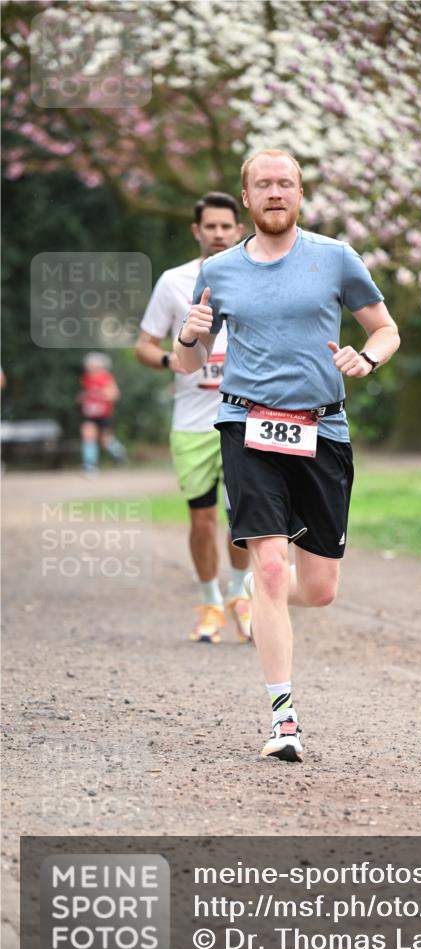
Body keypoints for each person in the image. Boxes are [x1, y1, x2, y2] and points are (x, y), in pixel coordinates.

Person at [175, 149, 400, 762]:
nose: (275, 192)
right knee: (273, 567)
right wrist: (191, 334)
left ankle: (260, 590)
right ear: (246, 198)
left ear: (300, 194)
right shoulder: (219, 271)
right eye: (263, 185)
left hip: (322, 429)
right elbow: (187, 362)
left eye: (286, 184)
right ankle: (284, 719)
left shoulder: (335, 258)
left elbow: (386, 328)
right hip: (246, 423)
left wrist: (367, 357)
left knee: (320, 588)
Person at [136, 192, 252, 644]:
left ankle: (241, 595)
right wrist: (173, 361)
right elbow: (143, 344)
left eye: (227, 226)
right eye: (211, 227)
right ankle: (210, 603)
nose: (219, 234)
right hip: (192, 422)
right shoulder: (172, 282)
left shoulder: (257, 274)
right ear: (197, 231)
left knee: (244, 518)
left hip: (246, 417)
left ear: (239, 229)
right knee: (202, 521)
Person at [79, 352, 127, 474]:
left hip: (104, 414)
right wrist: (83, 397)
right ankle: (89, 465)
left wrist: (99, 393)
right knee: (88, 437)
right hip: (89, 414)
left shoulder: (106, 377)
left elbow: (115, 395)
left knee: (105, 440)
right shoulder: (86, 378)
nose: (90, 368)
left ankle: (119, 453)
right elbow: (83, 394)